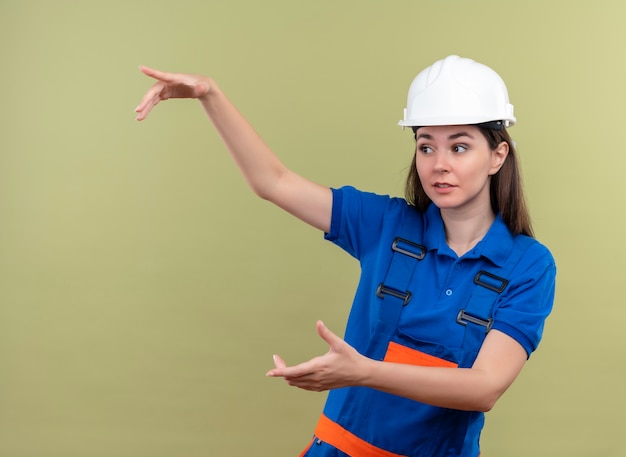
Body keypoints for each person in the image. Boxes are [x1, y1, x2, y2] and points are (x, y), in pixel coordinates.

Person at [135, 55, 556, 457]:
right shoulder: (385, 225)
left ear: (497, 156)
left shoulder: (529, 266)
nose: (439, 165)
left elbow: (484, 388)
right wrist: (210, 94)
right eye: (426, 146)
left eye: (459, 147)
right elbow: (273, 181)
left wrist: (362, 372)